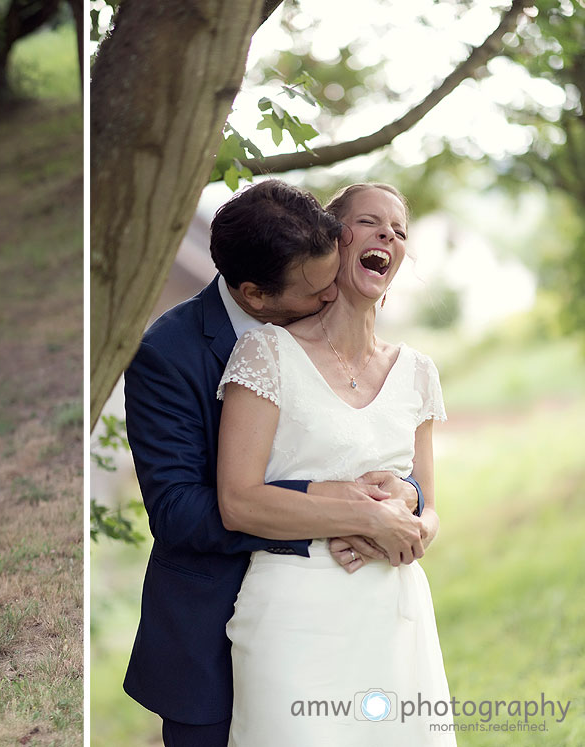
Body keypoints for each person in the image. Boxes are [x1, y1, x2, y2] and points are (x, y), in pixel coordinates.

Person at [122, 179, 426, 746]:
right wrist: (333, 507)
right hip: (208, 634)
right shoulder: (168, 355)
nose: (331, 296)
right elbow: (179, 511)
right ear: (255, 295)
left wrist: (405, 495)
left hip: (338, 624)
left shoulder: (337, 338)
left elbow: (358, 440)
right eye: (316, 292)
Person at [217, 183, 454, 744]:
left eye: (398, 231)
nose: (387, 237)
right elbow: (238, 500)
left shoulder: (418, 371)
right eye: (370, 223)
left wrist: (413, 526)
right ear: (332, 239)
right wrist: (368, 517)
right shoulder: (267, 353)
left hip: (394, 611)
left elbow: (430, 507)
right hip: (294, 613)